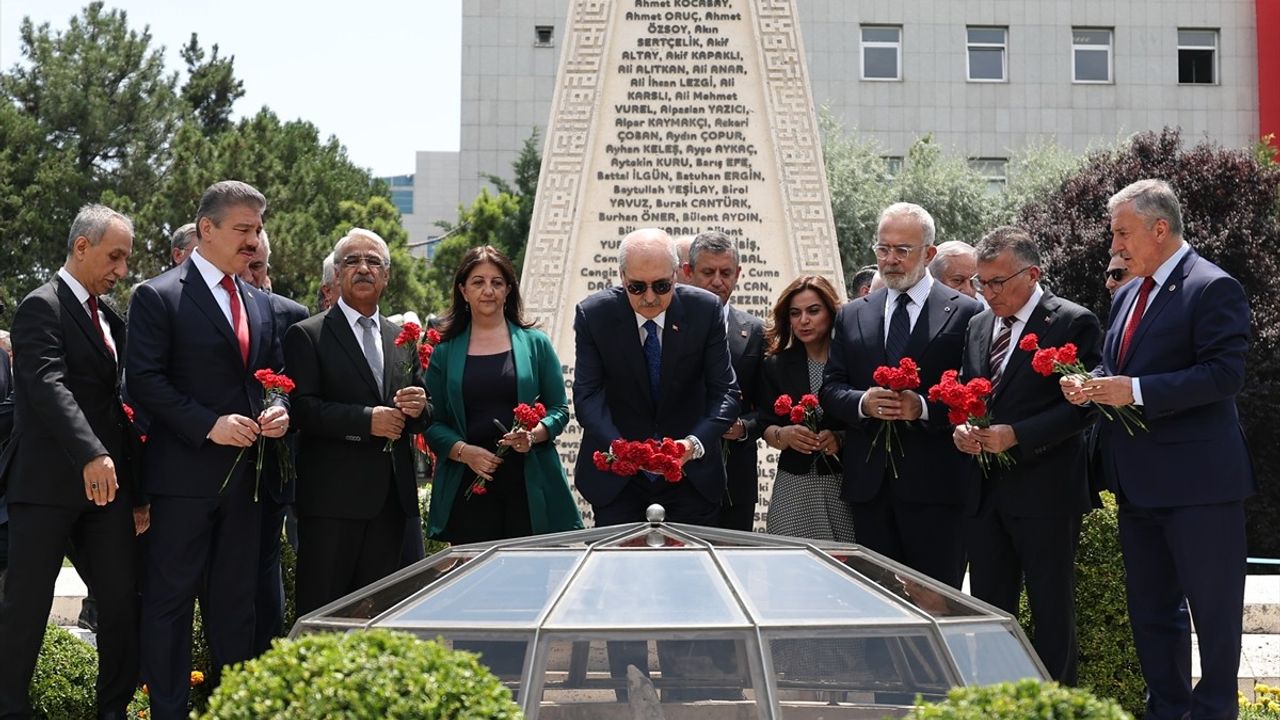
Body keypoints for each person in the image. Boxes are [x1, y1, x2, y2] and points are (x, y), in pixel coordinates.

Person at [1063, 179, 1254, 720]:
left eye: (1123, 232)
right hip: (1137, 483)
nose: (1115, 244)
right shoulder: (1126, 293)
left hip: (1200, 486)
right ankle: (1165, 711)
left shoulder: (1213, 287)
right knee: (1151, 613)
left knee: (1215, 616)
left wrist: (1136, 392)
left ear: (1159, 228)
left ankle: (1216, 713)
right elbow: (1118, 368)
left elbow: (1224, 374)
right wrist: (1089, 383)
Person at [127, 180, 290, 718]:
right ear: (207, 230)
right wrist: (208, 425)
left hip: (247, 483)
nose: (253, 241)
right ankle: (169, 711)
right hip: (180, 483)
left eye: (258, 230)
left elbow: (270, 376)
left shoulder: (258, 303)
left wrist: (277, 408)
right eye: (243, 229)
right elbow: (145, 382)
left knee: (234, 609)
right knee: (170, 606)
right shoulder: (158, 295)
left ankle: (230, 710)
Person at [0, 204, 141, 719]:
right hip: (45, 486)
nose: (122, 270)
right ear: (82, 247)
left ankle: (114, 710)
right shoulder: (40, 306)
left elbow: (115, 404)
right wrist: (92, 453)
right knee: (27, 608)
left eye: (125, 259)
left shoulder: (109, 318)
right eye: (115, 257)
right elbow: (46, 385)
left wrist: (137, 491)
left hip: (107, 492)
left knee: (122, 602)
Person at [952, 226, 1102, 682]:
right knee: (992, 615)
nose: (987, 293)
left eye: (997, 282)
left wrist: (1018, 434)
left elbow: (1087, 406)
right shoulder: (979, 323)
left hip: (1046, 493)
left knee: (1050, 611)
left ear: (1033, 274)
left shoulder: (1073, 321)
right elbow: (967, 390)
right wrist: (961, 428)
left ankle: (1056, 707)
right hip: (985, 491)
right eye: (980, 283)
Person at [821, 202, 981, 588]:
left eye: (902, 250)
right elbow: (830, 388)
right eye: (883, 249)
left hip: (937, 486)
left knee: (937, 600)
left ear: (928, 253)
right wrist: (863, 402)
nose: (890, 260)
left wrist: (923, 407)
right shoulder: (853, 313)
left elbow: (976, 393)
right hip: (870, 487)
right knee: (877, 603)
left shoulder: (966, 313)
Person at [284, 229, 430, 616]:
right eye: (352, 261)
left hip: (391, 505)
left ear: (386, 275)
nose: (363, 268)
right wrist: (366, 421)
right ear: (336, 275)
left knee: (384, 615)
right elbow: (302, 410)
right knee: (325, 614)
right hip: (332, 504)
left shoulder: (402, 339)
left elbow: (423, 414)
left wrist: (420, 407)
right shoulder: (308, 335)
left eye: (373, 262)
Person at [574, 228, 739, 527]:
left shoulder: (705, 310)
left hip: (691, 477)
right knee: (617, 571)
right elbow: (587, 395)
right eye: (637, 287)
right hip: (619, 480)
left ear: (677, 274)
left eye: (662, 286)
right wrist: (620, 449)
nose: (650, 298)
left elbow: (726, 392)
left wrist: (693, 444)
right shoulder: (593, 315)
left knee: (692, 572)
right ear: (622, 276)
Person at [423, 246, 581, 544]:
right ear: (463, 290)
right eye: (478, 282)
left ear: (509, 289)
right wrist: (464, 452)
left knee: (531, 580)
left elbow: (559, 409)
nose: (488, 290)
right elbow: (432, 422)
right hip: (469, 480)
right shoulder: (444, 352)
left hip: (527, 480)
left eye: (497, 282)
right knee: (474, 584)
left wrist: (533, 435)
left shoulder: (536, 344)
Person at [238, 230, 309, 653]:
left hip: (272, 477)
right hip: (205, 476)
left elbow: (304, 392)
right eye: (246, 263)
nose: (251, 273)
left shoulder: (291, 315)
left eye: (260, 265)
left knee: (266, 585)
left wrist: (284, 410)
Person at [759, 275, 851, 541]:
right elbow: (764, 422)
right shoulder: (775, 365)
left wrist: (840, 439)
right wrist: (783, 435)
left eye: (813, 311)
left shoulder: (852, 361)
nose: (804, 321)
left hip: (844, 482)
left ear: (831, 313)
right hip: (794, 482)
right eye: (795, 313)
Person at [684, 231, 765, 532]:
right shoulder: (667, 325)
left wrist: (745, 427)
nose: (718, 281)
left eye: (726, 273)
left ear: (738, 274)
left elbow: (767, 405)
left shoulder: (756, 331)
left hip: (735, 480)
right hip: (679, 476)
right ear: (689, 272)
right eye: (708, 272)